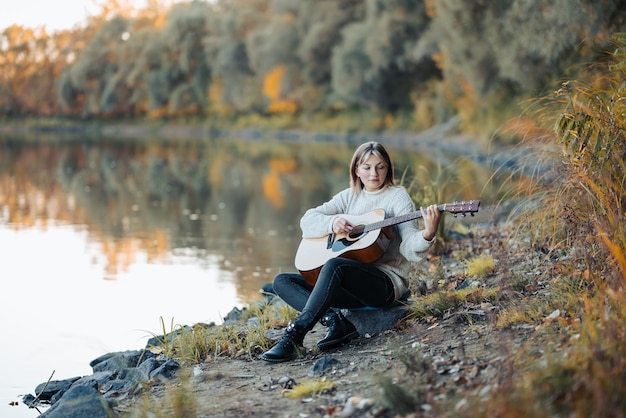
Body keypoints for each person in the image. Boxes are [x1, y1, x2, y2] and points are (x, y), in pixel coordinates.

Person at [261, 141, 441, 363]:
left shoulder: (398, 198)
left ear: (388, 169)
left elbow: (409, 246)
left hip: (384, 285)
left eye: (380, 167)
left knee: (335, 265)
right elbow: (308, 219)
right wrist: (333, 223)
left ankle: (295, 335)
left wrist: (428, 233)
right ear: (357, 169)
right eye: (367, 167)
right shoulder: (349, 196)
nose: (373, 173)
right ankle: (337, 323)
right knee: (282, 281)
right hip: (348, 285)